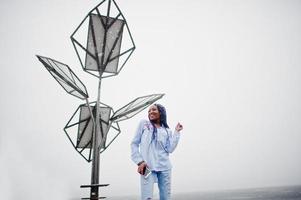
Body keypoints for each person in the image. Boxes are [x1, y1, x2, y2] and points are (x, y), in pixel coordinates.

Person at [131, 104, 183, 200]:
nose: (151, 112)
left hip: (165, 167)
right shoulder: (144, 124)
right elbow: (134, 144)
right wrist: (139, 161)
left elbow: (170, 149)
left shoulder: (167, 130)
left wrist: (176, 132)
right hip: (147, 166)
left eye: (154, 109)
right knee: (147, 197)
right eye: (149, 111)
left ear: (161, 112)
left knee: (166, 197)